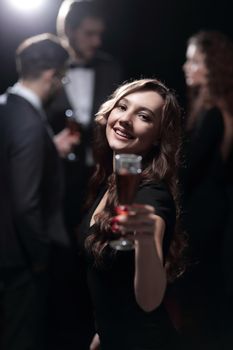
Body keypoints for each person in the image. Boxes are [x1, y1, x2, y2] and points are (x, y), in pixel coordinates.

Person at [77, 78, 186, 350]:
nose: (125, 119)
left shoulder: (151, 195)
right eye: (122, 106)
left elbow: (149, 300)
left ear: (158, 135)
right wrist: (103, 332)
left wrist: (147, 239)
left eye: (143, 116)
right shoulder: (111, 181)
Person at [0, 33, 79, 350]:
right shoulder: (31, 124)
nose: (62, 85)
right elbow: (25, 204)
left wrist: (49, 149)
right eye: (62, 77)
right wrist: (41, 257)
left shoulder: (6, 107)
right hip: (20, 258)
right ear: (51, 75)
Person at [46, 0, 123, 231]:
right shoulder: (45, 70)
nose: (97, 41)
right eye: (90, 34)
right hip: (56, 180)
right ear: (69, 30)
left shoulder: (111, 68)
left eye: (100, 34)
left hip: (100, 176)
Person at [180, 30, 233, 349]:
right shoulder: (215, 108)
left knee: (200, 297)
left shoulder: (213, 113)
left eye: (194, 61)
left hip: (204, 213)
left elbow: (188, 171)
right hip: (211, 209)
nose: (187, 67)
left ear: (211, 67)